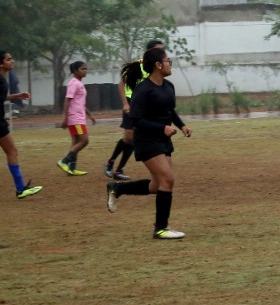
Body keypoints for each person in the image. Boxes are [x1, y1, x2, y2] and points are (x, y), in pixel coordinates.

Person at [105, 47, 191, 239]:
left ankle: (118, 188)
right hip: (146, 140)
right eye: (168, 61)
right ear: (158, 65)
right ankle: (161, 228)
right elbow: (136, 121)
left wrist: (182, 125)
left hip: (163, 140)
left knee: (157, 185)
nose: (170, 64)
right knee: (168, 180)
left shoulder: (169, 86)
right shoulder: (143, 90)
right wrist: (162, 128)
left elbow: (170, 112)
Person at [105, 39, 165, 181]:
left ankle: (118, 169)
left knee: (134, 138)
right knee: (129, 137)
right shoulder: (138, 66)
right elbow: (121, 85)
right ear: (149, 52)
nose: (162, 53)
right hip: (132, 103)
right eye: (159, 50)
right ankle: (110, 162)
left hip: (144, 105)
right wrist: (125, 104)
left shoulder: (158, 68)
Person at [0, 51, 41, 199]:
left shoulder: (3, 78)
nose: (13, 61)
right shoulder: (1, 79)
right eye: (9, 59)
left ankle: (20, 188)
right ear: (1, 63)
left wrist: (17, 96)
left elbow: (1, 96)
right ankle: (20, 189)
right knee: (12, 151)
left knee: (12, 151)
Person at [57, 60, 96, 175]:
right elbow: (67, 101)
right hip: (75, 119)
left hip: (78, 118)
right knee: (84, 141)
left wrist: (90, 116)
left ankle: (72, 169)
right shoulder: (74, 83)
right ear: (75, 71)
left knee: (76, 142)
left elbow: (80, 104)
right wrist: (65, 118)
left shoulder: (79, 84)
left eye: (85, 69)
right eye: (82, 69)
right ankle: (63, 161)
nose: (85, 71)